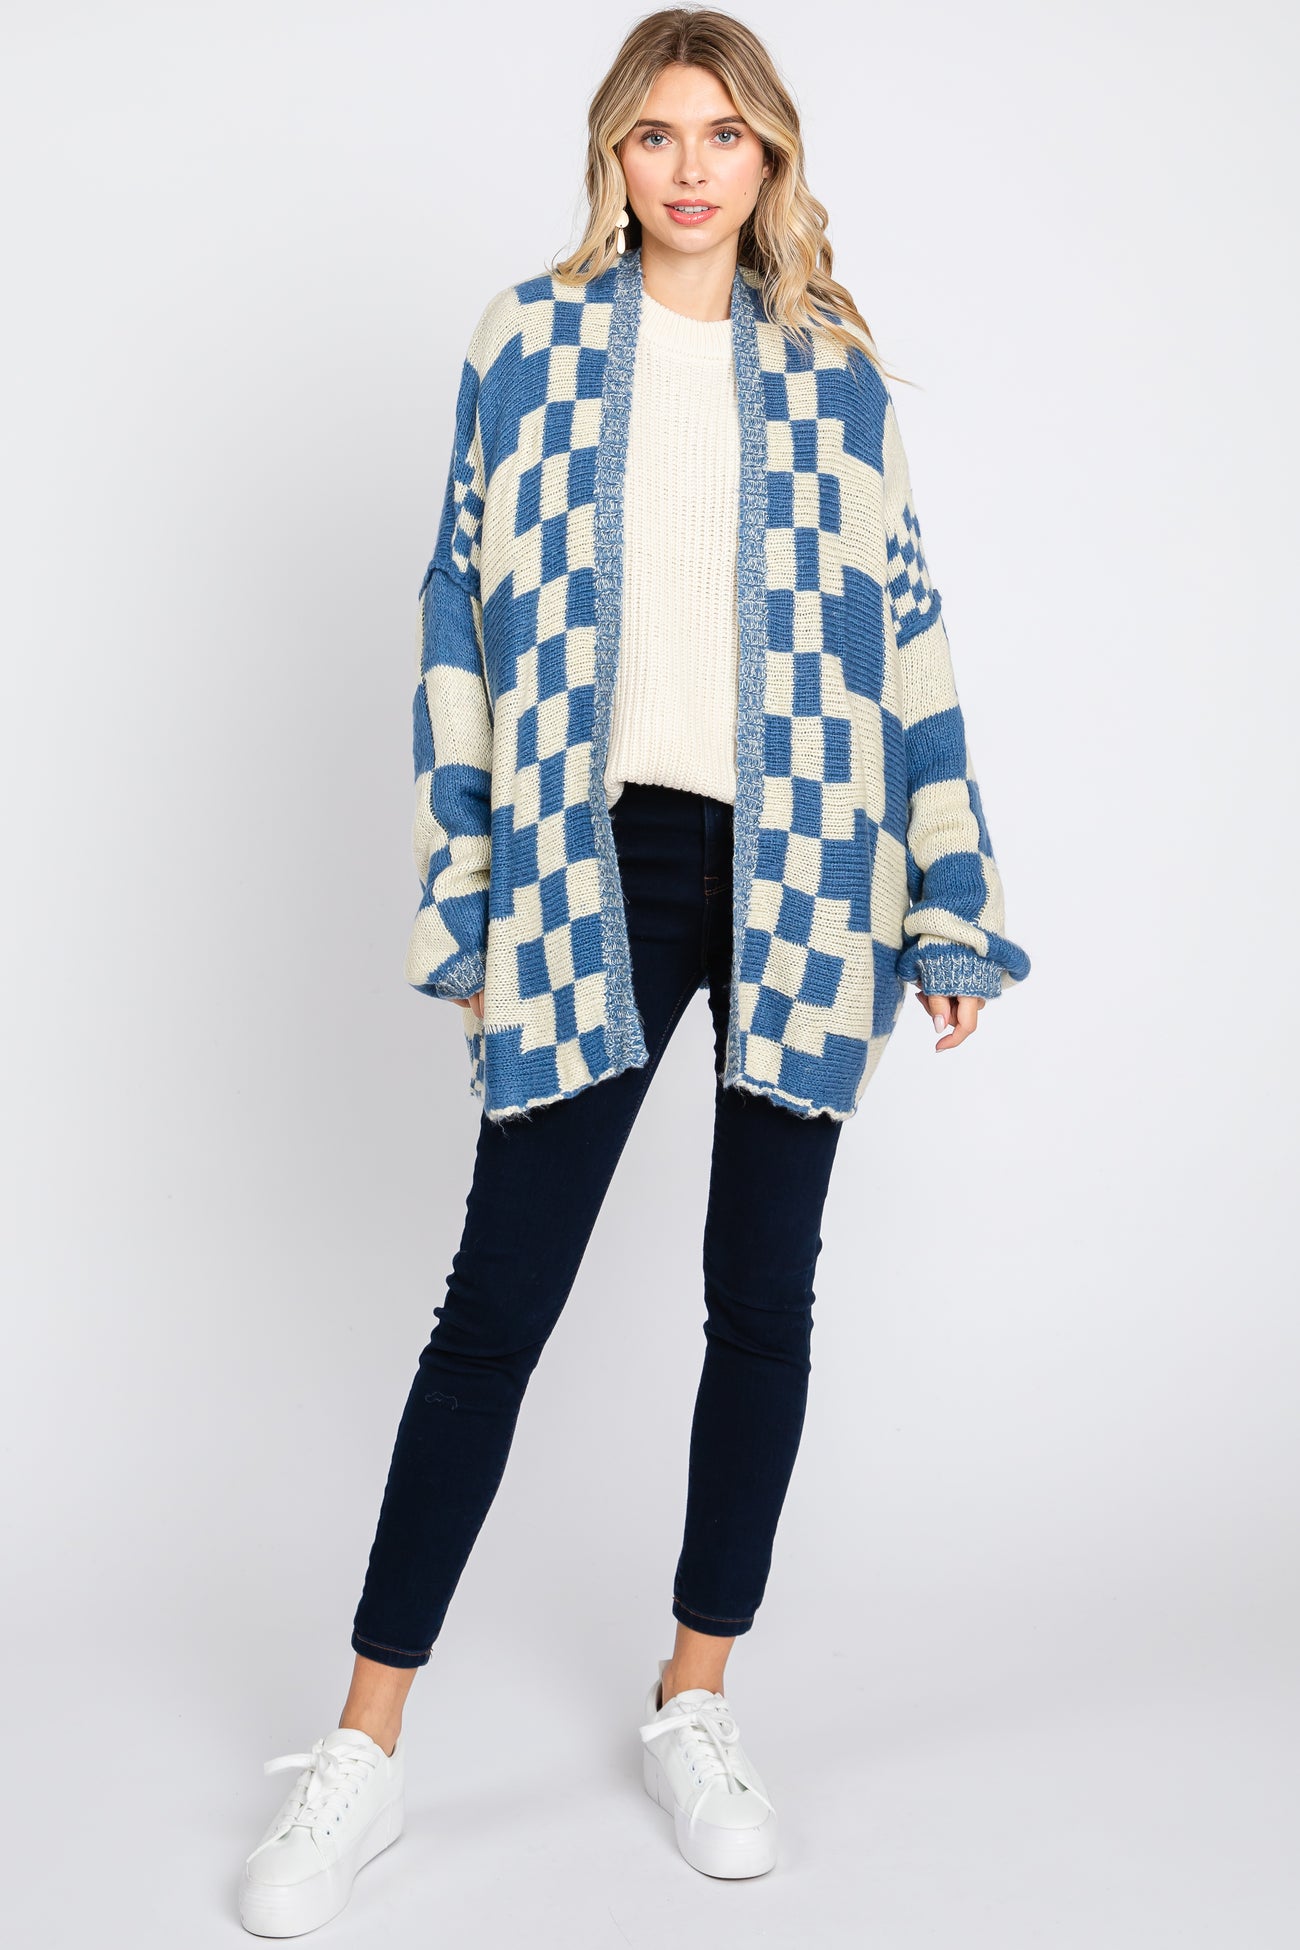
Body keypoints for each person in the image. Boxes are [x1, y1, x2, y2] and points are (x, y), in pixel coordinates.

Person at [238, 7, 1031, 1935]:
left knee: (761, 1300)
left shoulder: (835, 378)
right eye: (659, 133)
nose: (691, 168)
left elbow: (910, 634)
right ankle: (364, 1748)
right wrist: (468, 887)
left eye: (725, 135)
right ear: (613, 151)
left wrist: (948, 890)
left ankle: (697, 1697)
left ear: (771, 161)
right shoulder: (523, 344)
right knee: (494, 1308)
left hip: (810, 866)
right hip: (592, 861)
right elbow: (453, 612)